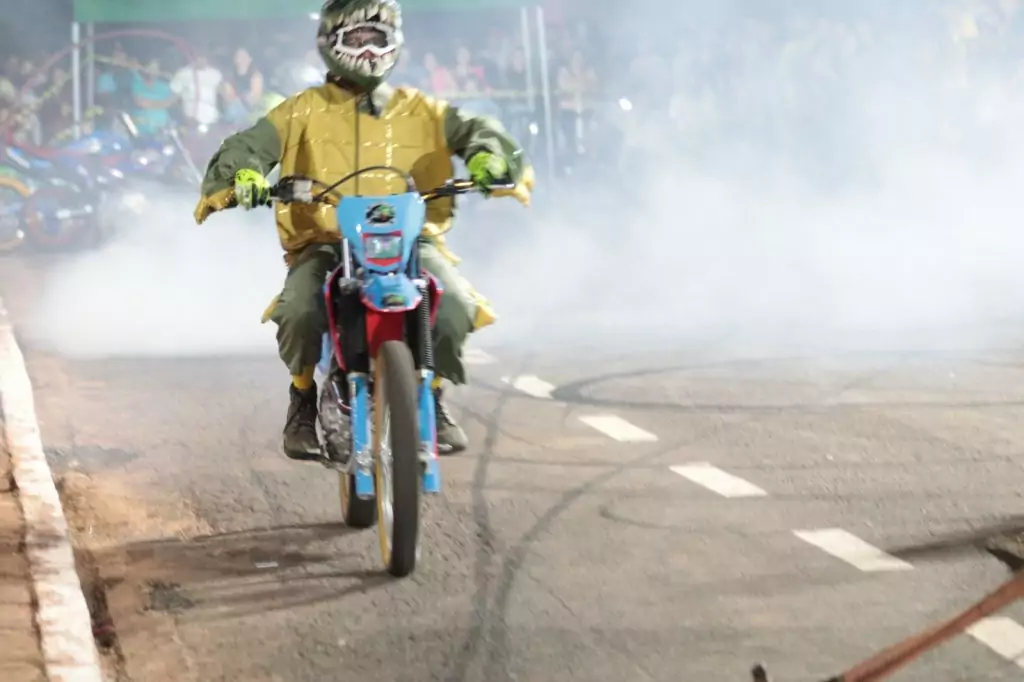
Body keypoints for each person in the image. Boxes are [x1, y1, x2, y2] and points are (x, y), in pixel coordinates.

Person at [194, 0, 534, 461]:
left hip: (410, 241)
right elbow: (246, 147)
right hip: (328, 242)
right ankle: (301, 401)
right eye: (356, 39)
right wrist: (247, 176)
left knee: (454, 303)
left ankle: (431, 394)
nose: (368, 49)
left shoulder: (423, 109)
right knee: (298, 308)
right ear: (330, 43)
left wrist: (486, 157)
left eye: (376, 38)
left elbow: (478, 129)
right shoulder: (300, 110)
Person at [170, 52, 224, 127]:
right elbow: (174, 94)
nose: (201, 60)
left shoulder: (215, 74)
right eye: (198, 56)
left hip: (211, 120)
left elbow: (223, 92)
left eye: (203, 57)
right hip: (189, 120)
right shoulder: (183, 73)